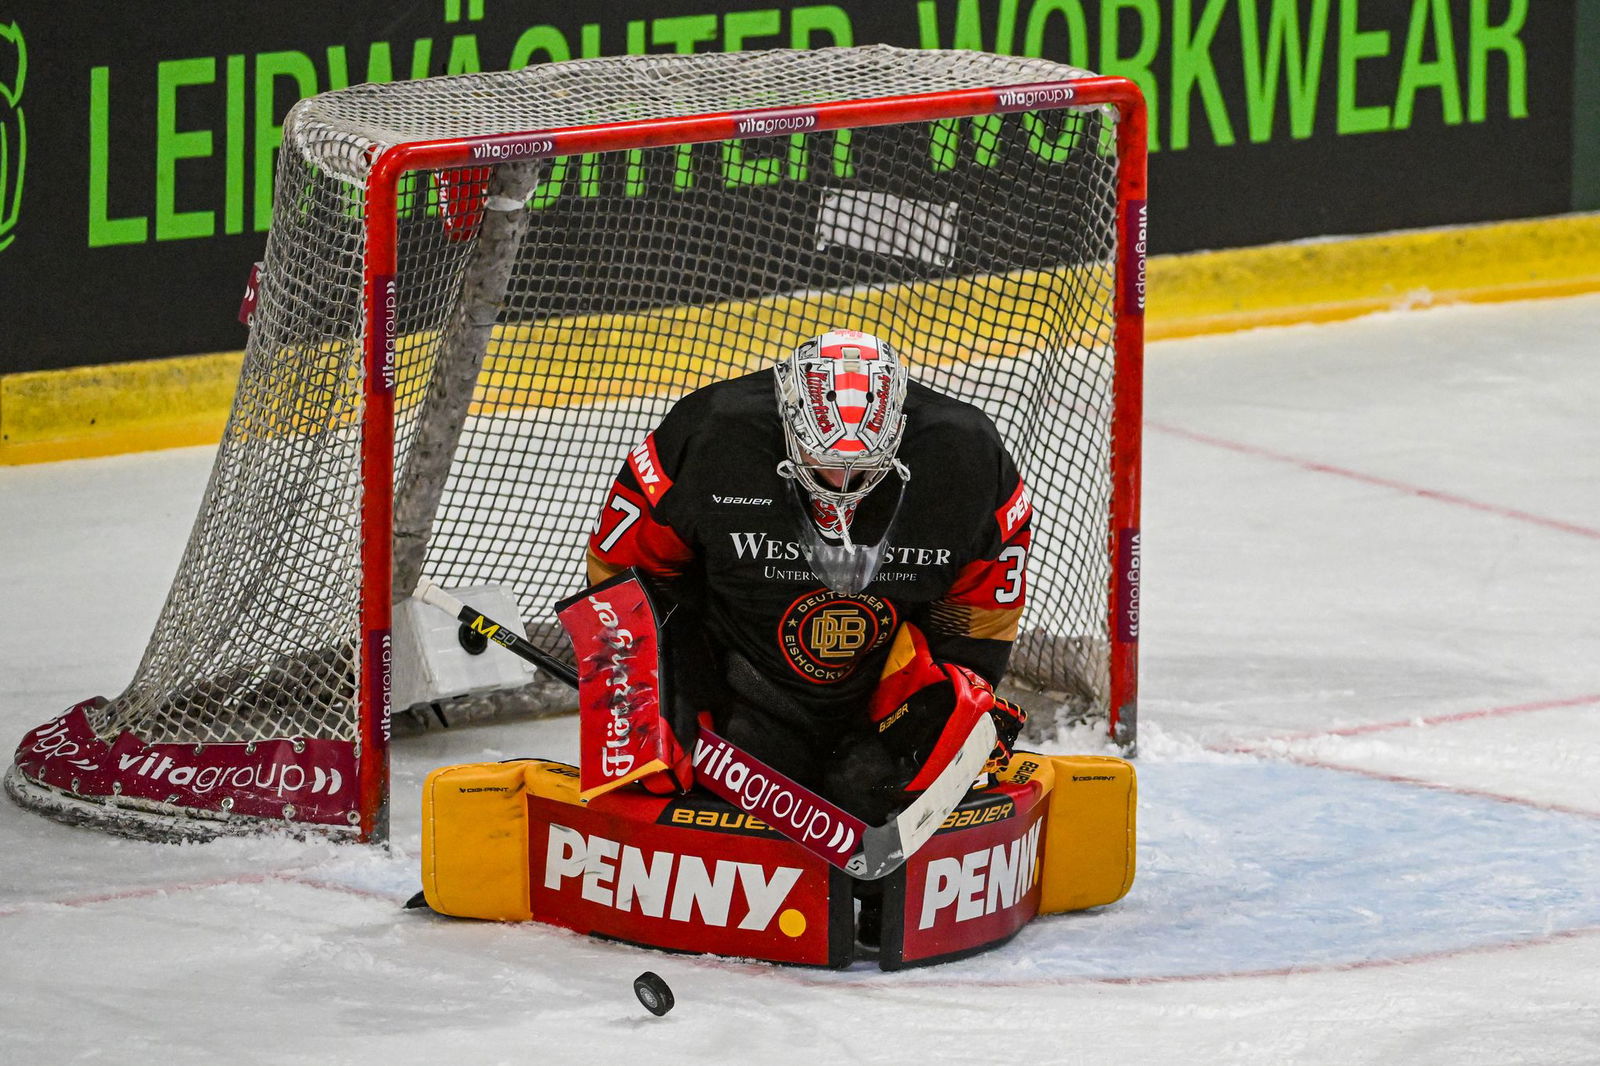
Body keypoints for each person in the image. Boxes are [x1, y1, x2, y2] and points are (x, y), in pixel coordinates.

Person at [585, 328, 1029, 827]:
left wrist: (960, 706)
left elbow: (981, 615)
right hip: (738, 683)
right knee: (694, 792)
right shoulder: (711, 435)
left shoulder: (964, 455)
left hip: (880, 692)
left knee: (887, 785)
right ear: (790, 422)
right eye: (826, 464)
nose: (841, 485)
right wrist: (649, 694)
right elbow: (620, 577)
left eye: (862, 469)